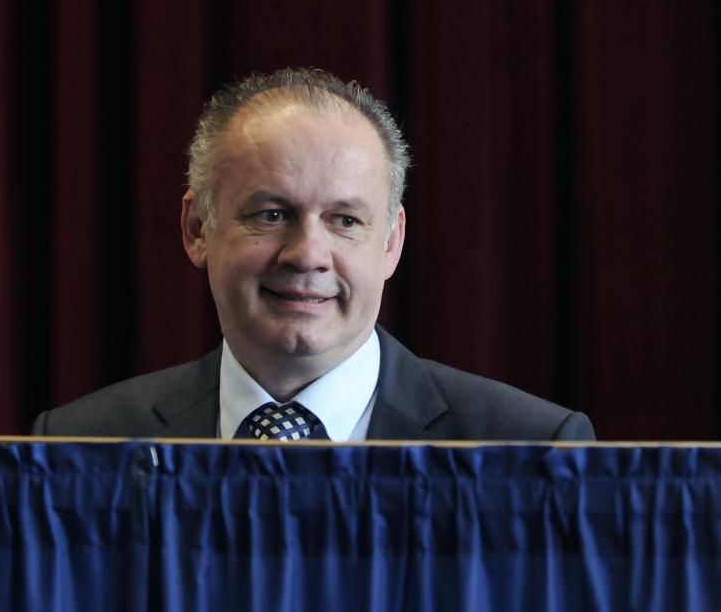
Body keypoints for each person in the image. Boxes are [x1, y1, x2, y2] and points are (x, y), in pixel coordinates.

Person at [32, 68, 594, 441]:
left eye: (345, 220)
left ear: (391, 242)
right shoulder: (78, 446)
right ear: (198, 227)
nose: (307, 255)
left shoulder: (533, 449)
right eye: (271, 214)